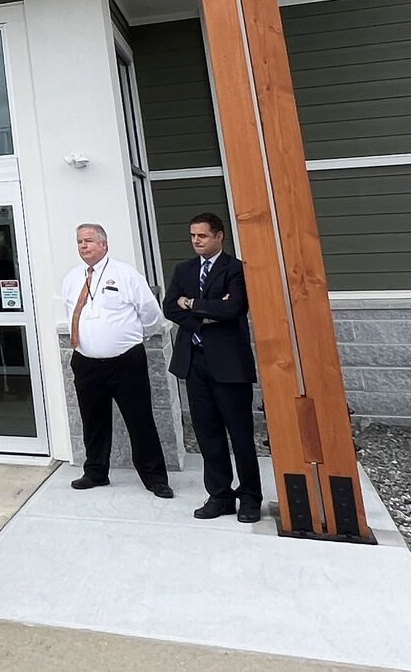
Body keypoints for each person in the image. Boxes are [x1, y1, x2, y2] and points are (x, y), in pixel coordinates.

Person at [162, 212, 262, 524]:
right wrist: (206, 314)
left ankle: (250, 497)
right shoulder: (184, 270)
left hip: (229, 364)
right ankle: (220, 495)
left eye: (202, 236)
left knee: (241, 433)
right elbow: (168, 307)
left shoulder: (236, 269)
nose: (196, 241)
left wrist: (190, 305)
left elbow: (233, 309)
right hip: (196, 362)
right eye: (193, 236)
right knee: (207, 432)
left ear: (219, 236)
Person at [61, 223, 172, 497]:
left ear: (104, 245)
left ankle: (154, 477)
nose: (83, 246)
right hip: (86, 362)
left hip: (125, 362)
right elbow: (70, 312)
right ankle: (95, 472)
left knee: (140, 419)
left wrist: (128, 338)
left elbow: (150, 315)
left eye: (88, 241)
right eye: (79, 242)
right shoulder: (72, 278)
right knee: (93, 421)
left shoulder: (125, 274)